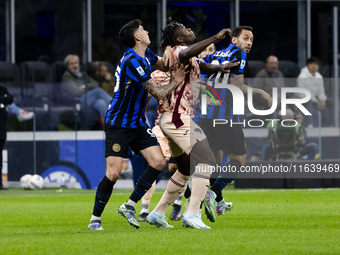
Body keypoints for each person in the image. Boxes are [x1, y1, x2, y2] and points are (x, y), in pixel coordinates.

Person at [87, 19, 188, 230]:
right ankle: (95, 219)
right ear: (137, 37)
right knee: (113, 173)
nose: (147, 31)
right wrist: (177, 80)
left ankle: (130, 205)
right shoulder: (131, 61)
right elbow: (158, 92)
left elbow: (166, 64)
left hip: (138, 124)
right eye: (143, 29)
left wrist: (172, 46)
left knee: (159, 162)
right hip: (118, 123)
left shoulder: (147, 55)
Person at [146, 21, 238, 229]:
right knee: (207, 159)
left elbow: (202, 66)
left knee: (186, 168)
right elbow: (186, 55)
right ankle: (192, 213)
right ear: (178, 38)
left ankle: (158, 213)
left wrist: (220, 67)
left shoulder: (187, 55)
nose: (189, 29)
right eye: (183, 28)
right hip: (178, 118)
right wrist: (215, 37)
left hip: (172, 119)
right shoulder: (178, 50)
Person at [199, 26, 272, 222]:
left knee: (215, 162)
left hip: (206, 115)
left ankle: (215, 199)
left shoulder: (215, 55)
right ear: (234, 40)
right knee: (239, 161)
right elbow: (236, 85)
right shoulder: (238, 54)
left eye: (252, 39)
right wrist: (260, 92)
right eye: (245, 38)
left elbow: (201, 75)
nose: (249, 43)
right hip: (226, 116)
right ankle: (213, 193)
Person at [61, 54, 112, 125]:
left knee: (101, 103)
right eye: (71, 64)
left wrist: (84, 86)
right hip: (78, 101)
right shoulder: (67, 76)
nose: (75, 66)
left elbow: (95, 84)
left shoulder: (82, 74)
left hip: (89, 99)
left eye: (76, 63)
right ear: (67, 66)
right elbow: (75, 92)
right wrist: (88, 89)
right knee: (98, 91)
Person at [297, 56, 327, 127]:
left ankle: (329, 124)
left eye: (315, 64)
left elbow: (321, 91)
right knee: (309, 102)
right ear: (307, 65)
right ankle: (310, 124)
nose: (313, 66)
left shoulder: (319, 77)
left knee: (331, 103)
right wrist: (317, 101)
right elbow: (302, 93)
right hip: (301, 98)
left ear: (318, 66)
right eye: (311, 64)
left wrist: (322, 100)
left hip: (314, 99)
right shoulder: (302, 76)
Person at [0, 84, 14, 190]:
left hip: (1, 127)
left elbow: (10, 99)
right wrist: (2, 100)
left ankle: (0, 183)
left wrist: (4, 100)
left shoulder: (2, 87)